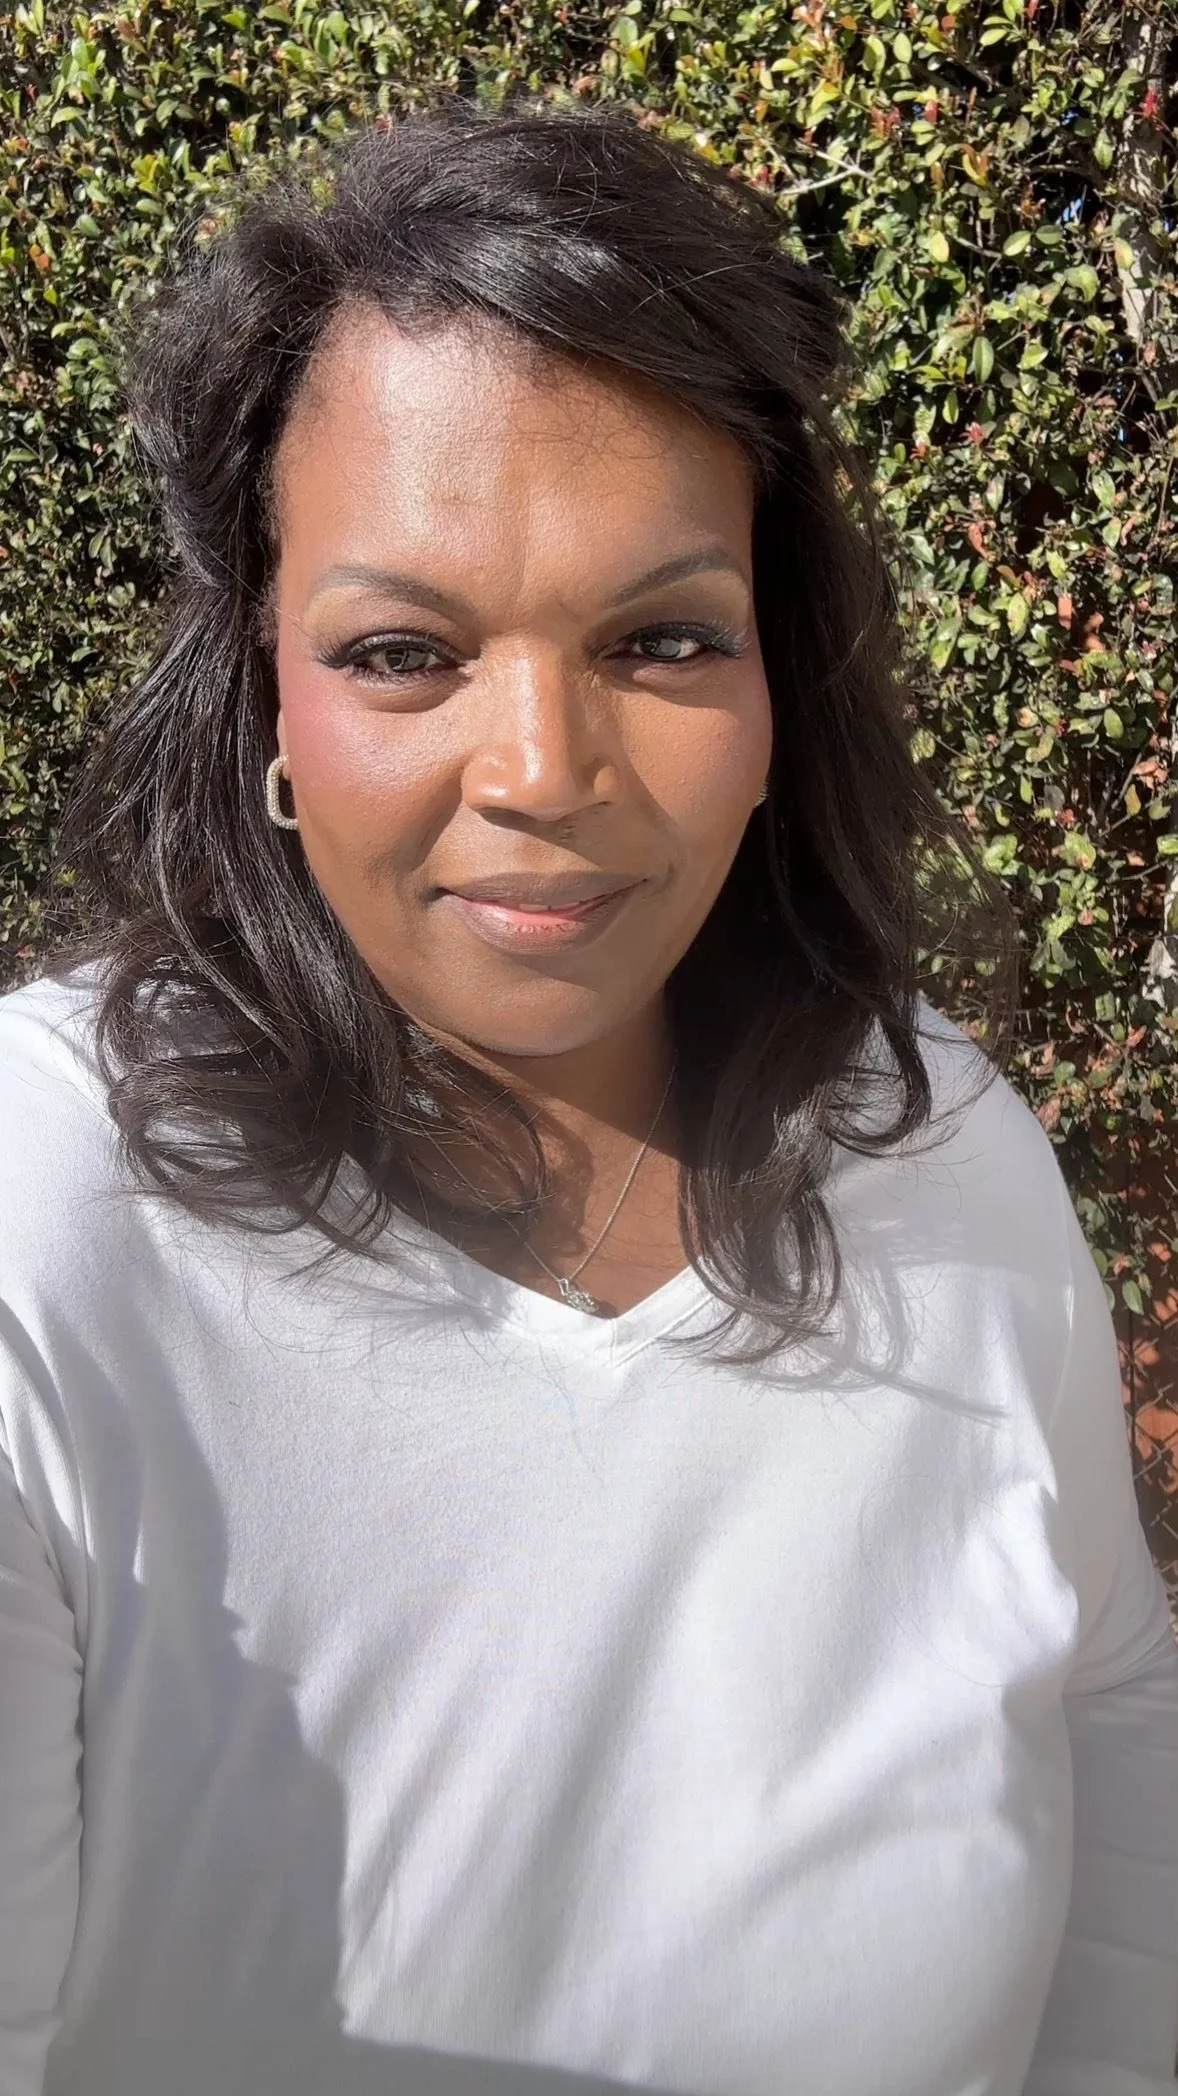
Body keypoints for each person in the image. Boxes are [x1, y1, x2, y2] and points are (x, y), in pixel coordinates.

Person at [0, 91, 1175, 2096]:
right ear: (263, 688)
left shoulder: (940, 1160)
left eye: (660, 638)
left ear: (775, 687)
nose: (542, 769)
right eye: (402, 651)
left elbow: (1114, 1757)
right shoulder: (48, 1228)